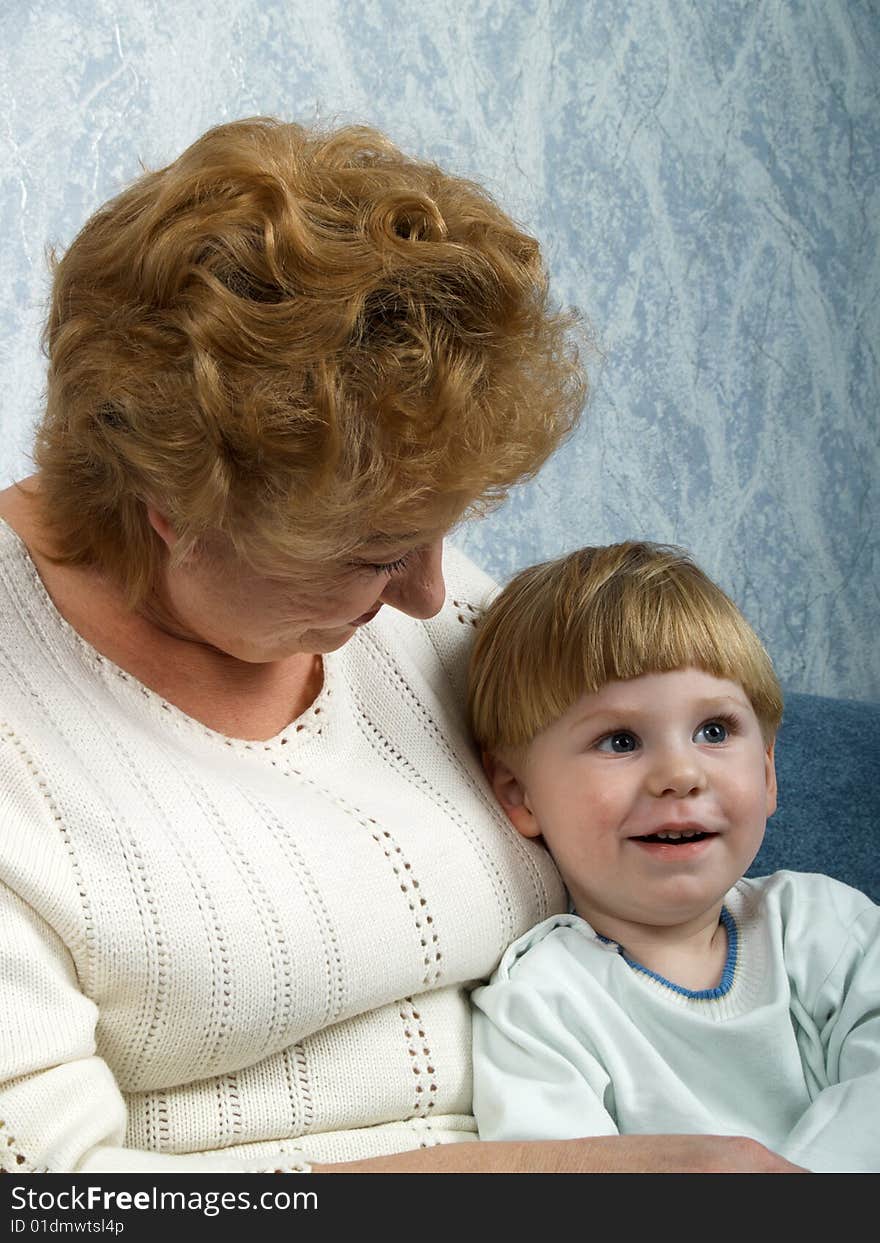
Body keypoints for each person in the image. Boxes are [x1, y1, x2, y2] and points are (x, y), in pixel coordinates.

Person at [0, 117, 802, 1175]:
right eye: (376, 555)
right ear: (171, 511)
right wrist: (545, 1184)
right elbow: (55, 1198)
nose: (433, 596)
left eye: (440, 533)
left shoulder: (423, 601)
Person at [468, 541, 880, 1173]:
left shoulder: (827, 926)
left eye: (715, 731)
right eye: (620, 740)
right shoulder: (543, 1003)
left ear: (768, 774)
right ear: (520, 794)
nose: (680, 774)